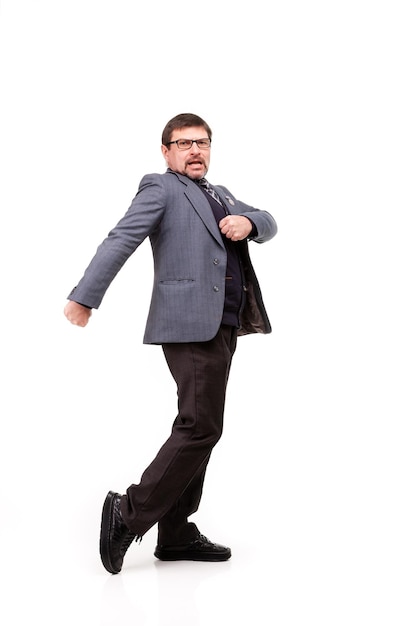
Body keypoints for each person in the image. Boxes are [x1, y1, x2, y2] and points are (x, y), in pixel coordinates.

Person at [64, 113, 277, 574]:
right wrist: (86, 297)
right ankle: (130, 511)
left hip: (223, 325)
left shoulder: (220, 194)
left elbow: (269, 220)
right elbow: (121, 238)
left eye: (202, 142)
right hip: (188, 324)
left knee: (200, 426)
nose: (195, 151)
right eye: (184, 144)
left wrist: (248, 222)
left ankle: (177, 532)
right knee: (200, 427)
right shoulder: (160, 188)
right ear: (166, 152)